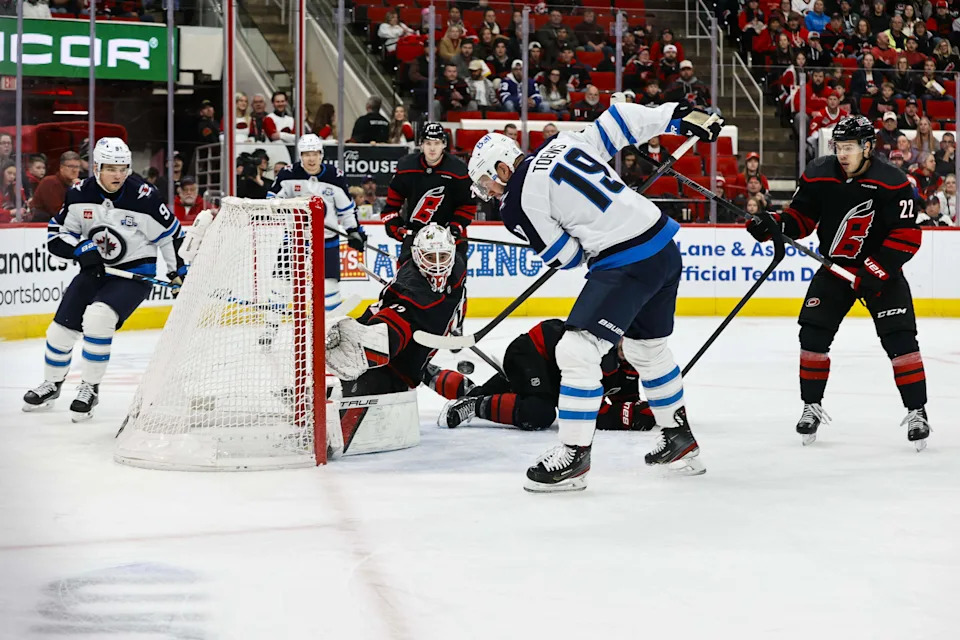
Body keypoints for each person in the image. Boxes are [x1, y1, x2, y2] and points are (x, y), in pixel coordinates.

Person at [466, 101, 723, 491]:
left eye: (488, 182)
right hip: (663, 247)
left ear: (503, 168)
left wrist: (579, 231)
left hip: (627, 261)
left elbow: (567, 258)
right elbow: (619, 120)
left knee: (575, 351)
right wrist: (676, 115)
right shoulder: (563, 142)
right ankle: (678, 439)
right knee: (646, 352)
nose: (489, 192)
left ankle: (573, 456)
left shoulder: (516, 201)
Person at [745, 115, 930, 450]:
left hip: (881, 273)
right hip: (835, 269)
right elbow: (801, 219)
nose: (842, 154)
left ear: (868, 147)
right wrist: (773, 224)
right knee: (812, 335)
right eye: (839, 146)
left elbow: (906, 235)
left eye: (850, 147)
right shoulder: (819, 173)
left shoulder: (893, 181)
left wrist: (874, 272)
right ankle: (810, 406)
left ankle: (917, 411)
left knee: (900, 340)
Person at [22, 138, 185, 421]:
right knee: (60, 330)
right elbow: (58, 234)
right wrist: (79, 249)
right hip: (95, 272)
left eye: (123, 168)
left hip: (133, 275)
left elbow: (170, 235)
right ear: (96, 167)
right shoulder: (78, 193)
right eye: (111, 168)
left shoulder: (144, 197)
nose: (119, 175)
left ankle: (89, 388)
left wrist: (178, 271)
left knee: (98, 318)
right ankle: (52, 383)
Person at [433, 319, 656, 432]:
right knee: (538, 413)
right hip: (530, 354)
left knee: (483, 393)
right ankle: (474, 406)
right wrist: (633, 416)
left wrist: (649, 411)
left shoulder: (628, 364)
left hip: (549, 372)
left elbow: (625, 401)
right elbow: (589, 413)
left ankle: (427, 374)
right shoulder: (602, 353)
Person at [325, 223, 466, 396]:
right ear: (418, 255)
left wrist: (455, 321)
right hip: (389, 355)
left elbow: (458, 297)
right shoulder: (409, 286)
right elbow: (394, 315)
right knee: (392, 338)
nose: (437, 264)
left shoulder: (457, 268)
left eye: (443, 256)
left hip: (414, 343)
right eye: (430, 257)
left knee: (411, 361)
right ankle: (358, 352)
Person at [266, 133, 364, 316]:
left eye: (315, 153)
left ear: (321, 154)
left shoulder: (335, 176)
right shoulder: (288, 174)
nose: (311, 158)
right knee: (281, 285)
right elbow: (272, 200)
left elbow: (347, 209)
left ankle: (332, 329)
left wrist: (354, 231)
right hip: (296, 239)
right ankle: (270, 328)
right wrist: (286, 208)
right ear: (300, 156)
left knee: (329, 287)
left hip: (327, 240)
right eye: (306, 154)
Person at [382, 123, 475, 262]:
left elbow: (468, 205)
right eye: (428, 143)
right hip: (416, 236)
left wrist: (456, 226)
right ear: (421, 144)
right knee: (406, 281)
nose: (432, 148)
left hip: (449, 237)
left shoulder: (458, 170)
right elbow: (392, 203)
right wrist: (393, 222)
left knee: (455, 280)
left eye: (437, 143)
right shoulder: (407, 167)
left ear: (444, 144)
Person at [30, 150, 80, 221]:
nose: (74, 170)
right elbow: (58, 212)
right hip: (40, 228)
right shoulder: (49, 182)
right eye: (70, 166)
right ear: (61, 168)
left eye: (77, 167)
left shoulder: (78, 185)